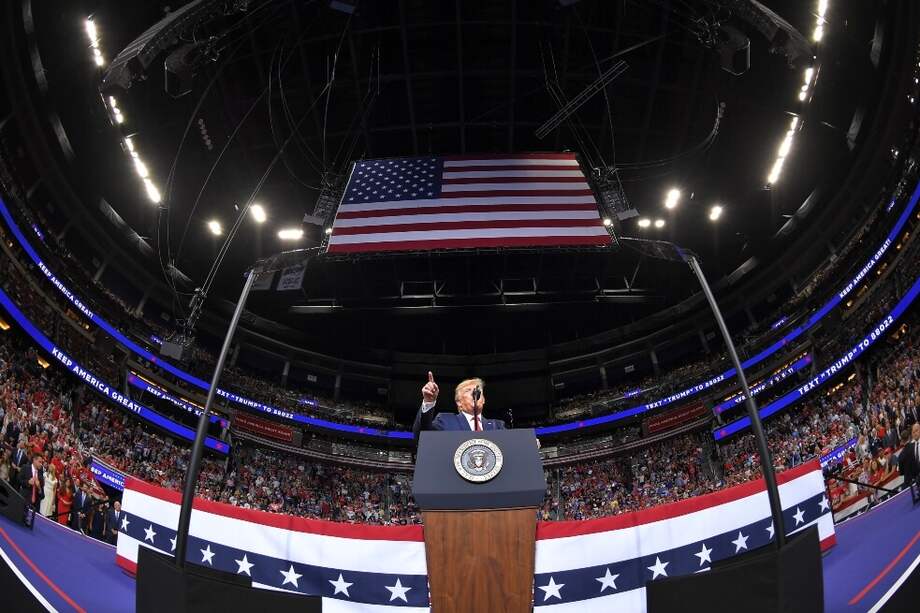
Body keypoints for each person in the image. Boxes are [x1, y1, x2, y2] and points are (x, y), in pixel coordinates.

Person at [412, 373, 506, 438]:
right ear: (459, 402)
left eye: (477, 391)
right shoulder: (445, 420)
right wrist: (428, 401)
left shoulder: (497, 426)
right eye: (468, 390)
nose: (474, 393)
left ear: (483, 399)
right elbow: (422, 435)